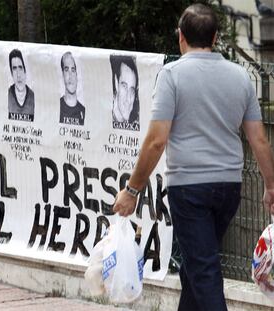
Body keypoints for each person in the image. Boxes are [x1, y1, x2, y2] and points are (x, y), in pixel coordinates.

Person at [113, 3, 274, 311]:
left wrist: (132, 190)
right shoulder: (240, 76)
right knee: (196, 265)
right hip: (229, 189)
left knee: (204, 270)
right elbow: (259, 139)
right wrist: (271, 185)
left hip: (189, 189)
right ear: (215, 38)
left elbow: (156, 141)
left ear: (180, 38)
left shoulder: (172, 75)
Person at [110, 55, 139, 131]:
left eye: (132, 90)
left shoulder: (135, 123)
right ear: (116, 83)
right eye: (124, 86)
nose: (128, 99)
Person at [8, 49, 35, 122]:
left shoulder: (33, 97)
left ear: (25, 70)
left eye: (20, 68)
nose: (18, 75)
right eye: (14, 69)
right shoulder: (6, 95)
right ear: (11, 73)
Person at [59, 52, 85, 126]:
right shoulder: (56, 107)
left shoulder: (84, 112)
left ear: (77, 75)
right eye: (66, 70)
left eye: (73, 70)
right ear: (62, 74)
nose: (70, 76)